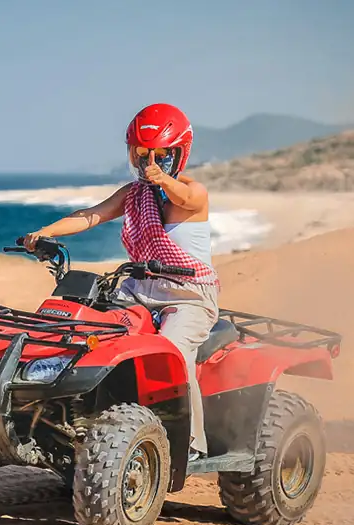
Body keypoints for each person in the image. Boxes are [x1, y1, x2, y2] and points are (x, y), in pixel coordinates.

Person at [21, 103, 218, 461]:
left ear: (179, 154)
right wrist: (44, 232)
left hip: (187, 296)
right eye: (142, 154)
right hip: (137, 290)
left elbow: (184, 196)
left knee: (174, 351)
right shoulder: (134, 194)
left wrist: (164, 180)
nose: (150, 162)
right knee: (87, 327)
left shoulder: (194, 193)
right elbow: (91, 216)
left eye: (161, 155)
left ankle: (191, 443)